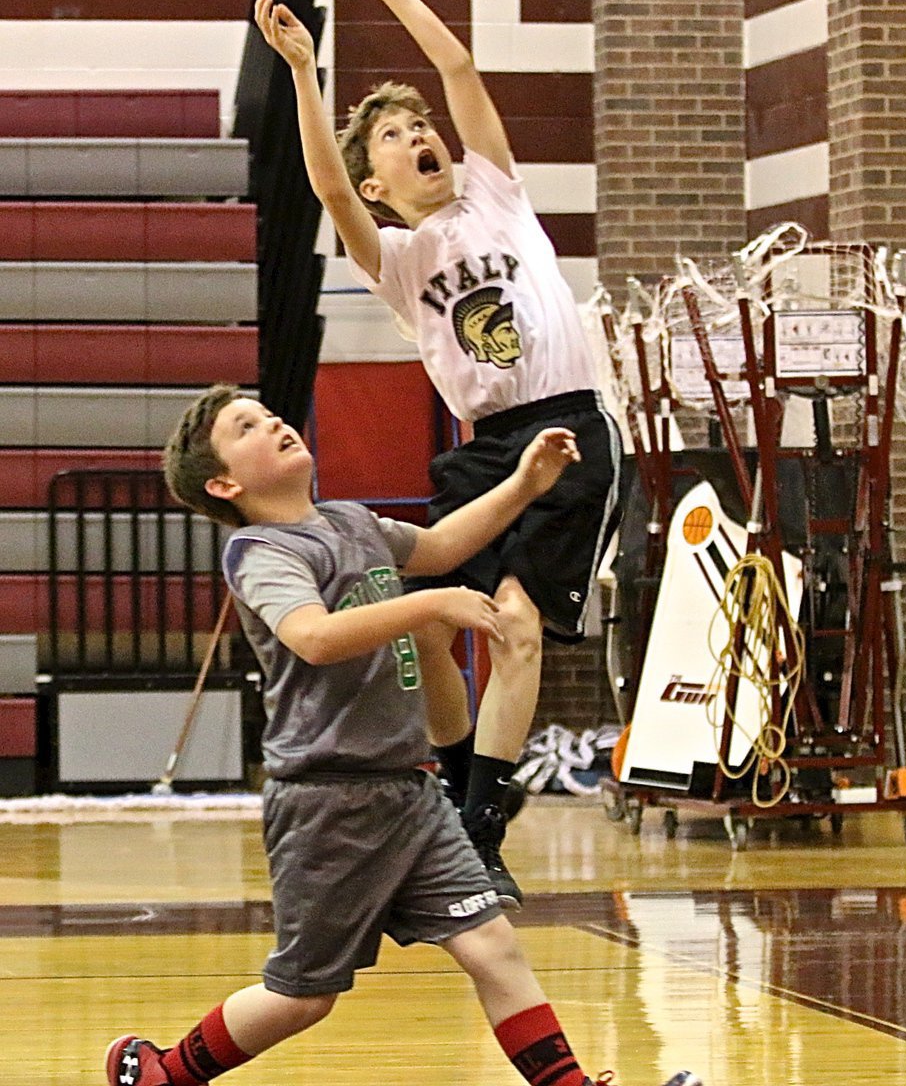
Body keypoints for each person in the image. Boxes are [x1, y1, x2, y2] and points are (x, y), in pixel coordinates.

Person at [104, 384, 698, 1086]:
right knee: (303, 996)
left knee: (492, 945)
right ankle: (167, 1073)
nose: (276, 424)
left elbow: (444, 544)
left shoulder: (352, 524)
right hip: (328, 803)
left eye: (272, 414)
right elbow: (315, 638)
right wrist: (429, 601)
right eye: (248, 428)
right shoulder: (260, 552)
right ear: (224, 482)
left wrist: (524, 483)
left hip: (410, 793)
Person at [253, 0, 623, 909]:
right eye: (397, 137)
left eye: (424, 130)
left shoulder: (496, 194)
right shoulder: (400, 253)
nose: (422, 137)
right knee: (429, 620)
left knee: (514, 622)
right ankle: (462, 796)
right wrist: (302, 72)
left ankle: (480, 824)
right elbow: (326, 192)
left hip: (565, 426)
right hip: (481, 447)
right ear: (379, 182)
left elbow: (459, 70)